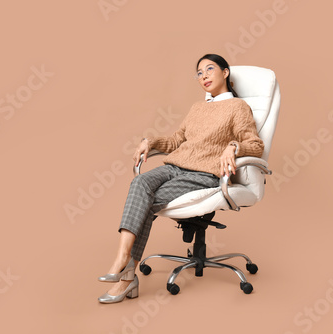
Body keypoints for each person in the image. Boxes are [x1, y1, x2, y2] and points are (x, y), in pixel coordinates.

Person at [97, 54, 265, 303]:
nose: (204, 75)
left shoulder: (238, 107)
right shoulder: (198, 108)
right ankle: (123, 260)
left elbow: (255, 144)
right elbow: (176, 141)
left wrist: (234, 146)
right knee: (139, 183)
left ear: (225, 72)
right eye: (199, 73)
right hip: (174, 166)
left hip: (203, 173)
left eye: (210, 69)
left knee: (148, 202)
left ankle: (125, 276)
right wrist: (150, 141)